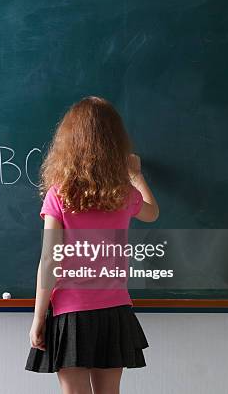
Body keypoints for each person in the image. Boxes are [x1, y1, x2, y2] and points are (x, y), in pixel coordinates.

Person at [25, 96, 159, 394]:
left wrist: (38, 318)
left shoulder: (59, 196)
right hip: (114, 311)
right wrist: (135, 175)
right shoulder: (123, 194)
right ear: (115, 144)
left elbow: (50, 260)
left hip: (71, 312)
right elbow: (152, 212)